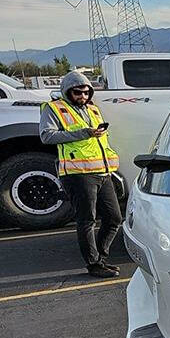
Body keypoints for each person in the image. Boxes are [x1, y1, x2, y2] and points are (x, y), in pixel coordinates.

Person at [39, 70, 122, 277]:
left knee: (114, 218)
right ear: (68, 92)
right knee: (87, 220)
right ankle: (94, 265)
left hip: (103, 172)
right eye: (77, 93)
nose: (83, 97)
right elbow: (47, 136)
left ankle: (101, 259)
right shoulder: (54, 109)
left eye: (86, 93)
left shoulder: (92, 109)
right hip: (78, 174)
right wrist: (84, 133)